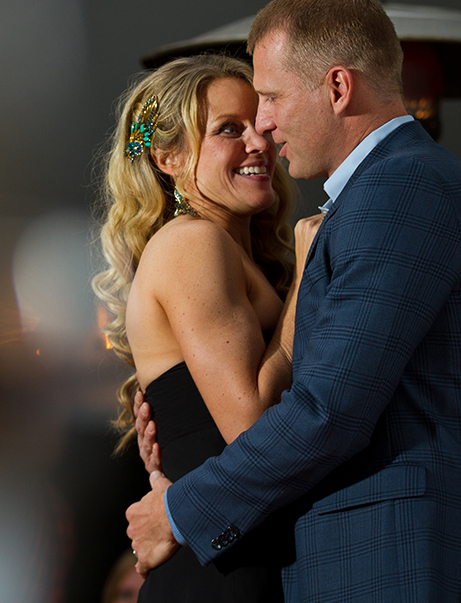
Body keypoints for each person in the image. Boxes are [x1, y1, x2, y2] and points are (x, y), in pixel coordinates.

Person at [126, 0, 461, 602]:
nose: (263, 128)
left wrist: (180, 509)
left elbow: (328, 412)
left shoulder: (396, 191)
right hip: (295, 559)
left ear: (338, 88)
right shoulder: (385, 192)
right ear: (170, 157)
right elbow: (308, 410)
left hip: (397, 562)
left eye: (269, 100)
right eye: (233, 124)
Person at [93, 54, 321, 602]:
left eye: (261, 125)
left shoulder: (244, 258)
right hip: (220, 575)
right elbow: (250, 425)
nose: (259, 143)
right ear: (168, 156)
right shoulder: (191, 243)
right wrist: (305, 287)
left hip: (243, 558)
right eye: (228, 130)